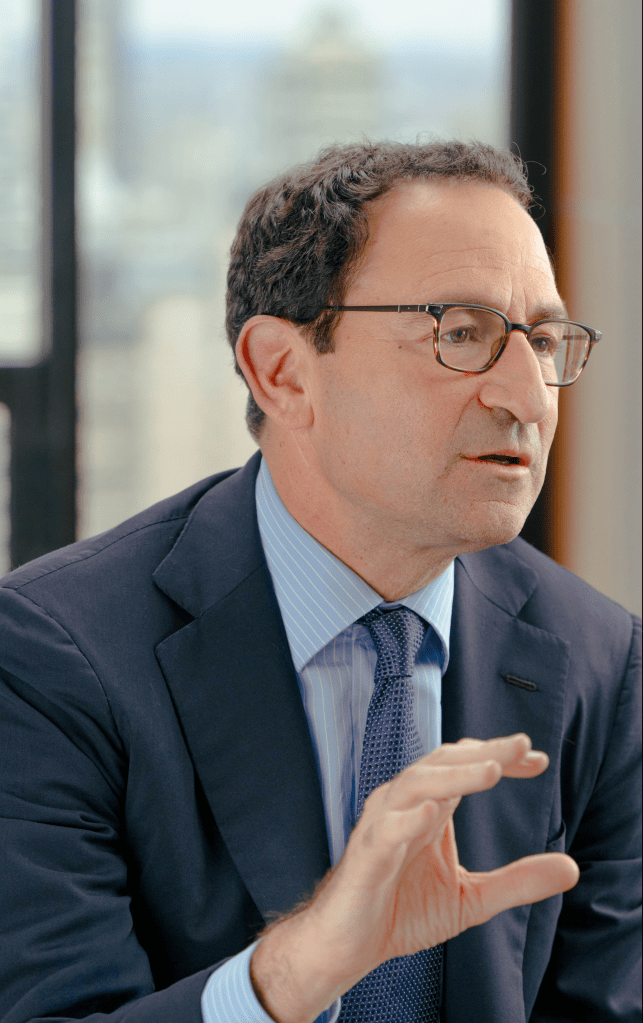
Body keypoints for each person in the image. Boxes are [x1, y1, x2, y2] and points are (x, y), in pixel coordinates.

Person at [0, 141, 640, 1023]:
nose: (527, 397)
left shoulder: (600, 658)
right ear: (283, 370)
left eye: (543, 341)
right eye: (462, 333)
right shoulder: (52, 656)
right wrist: (300, 969)